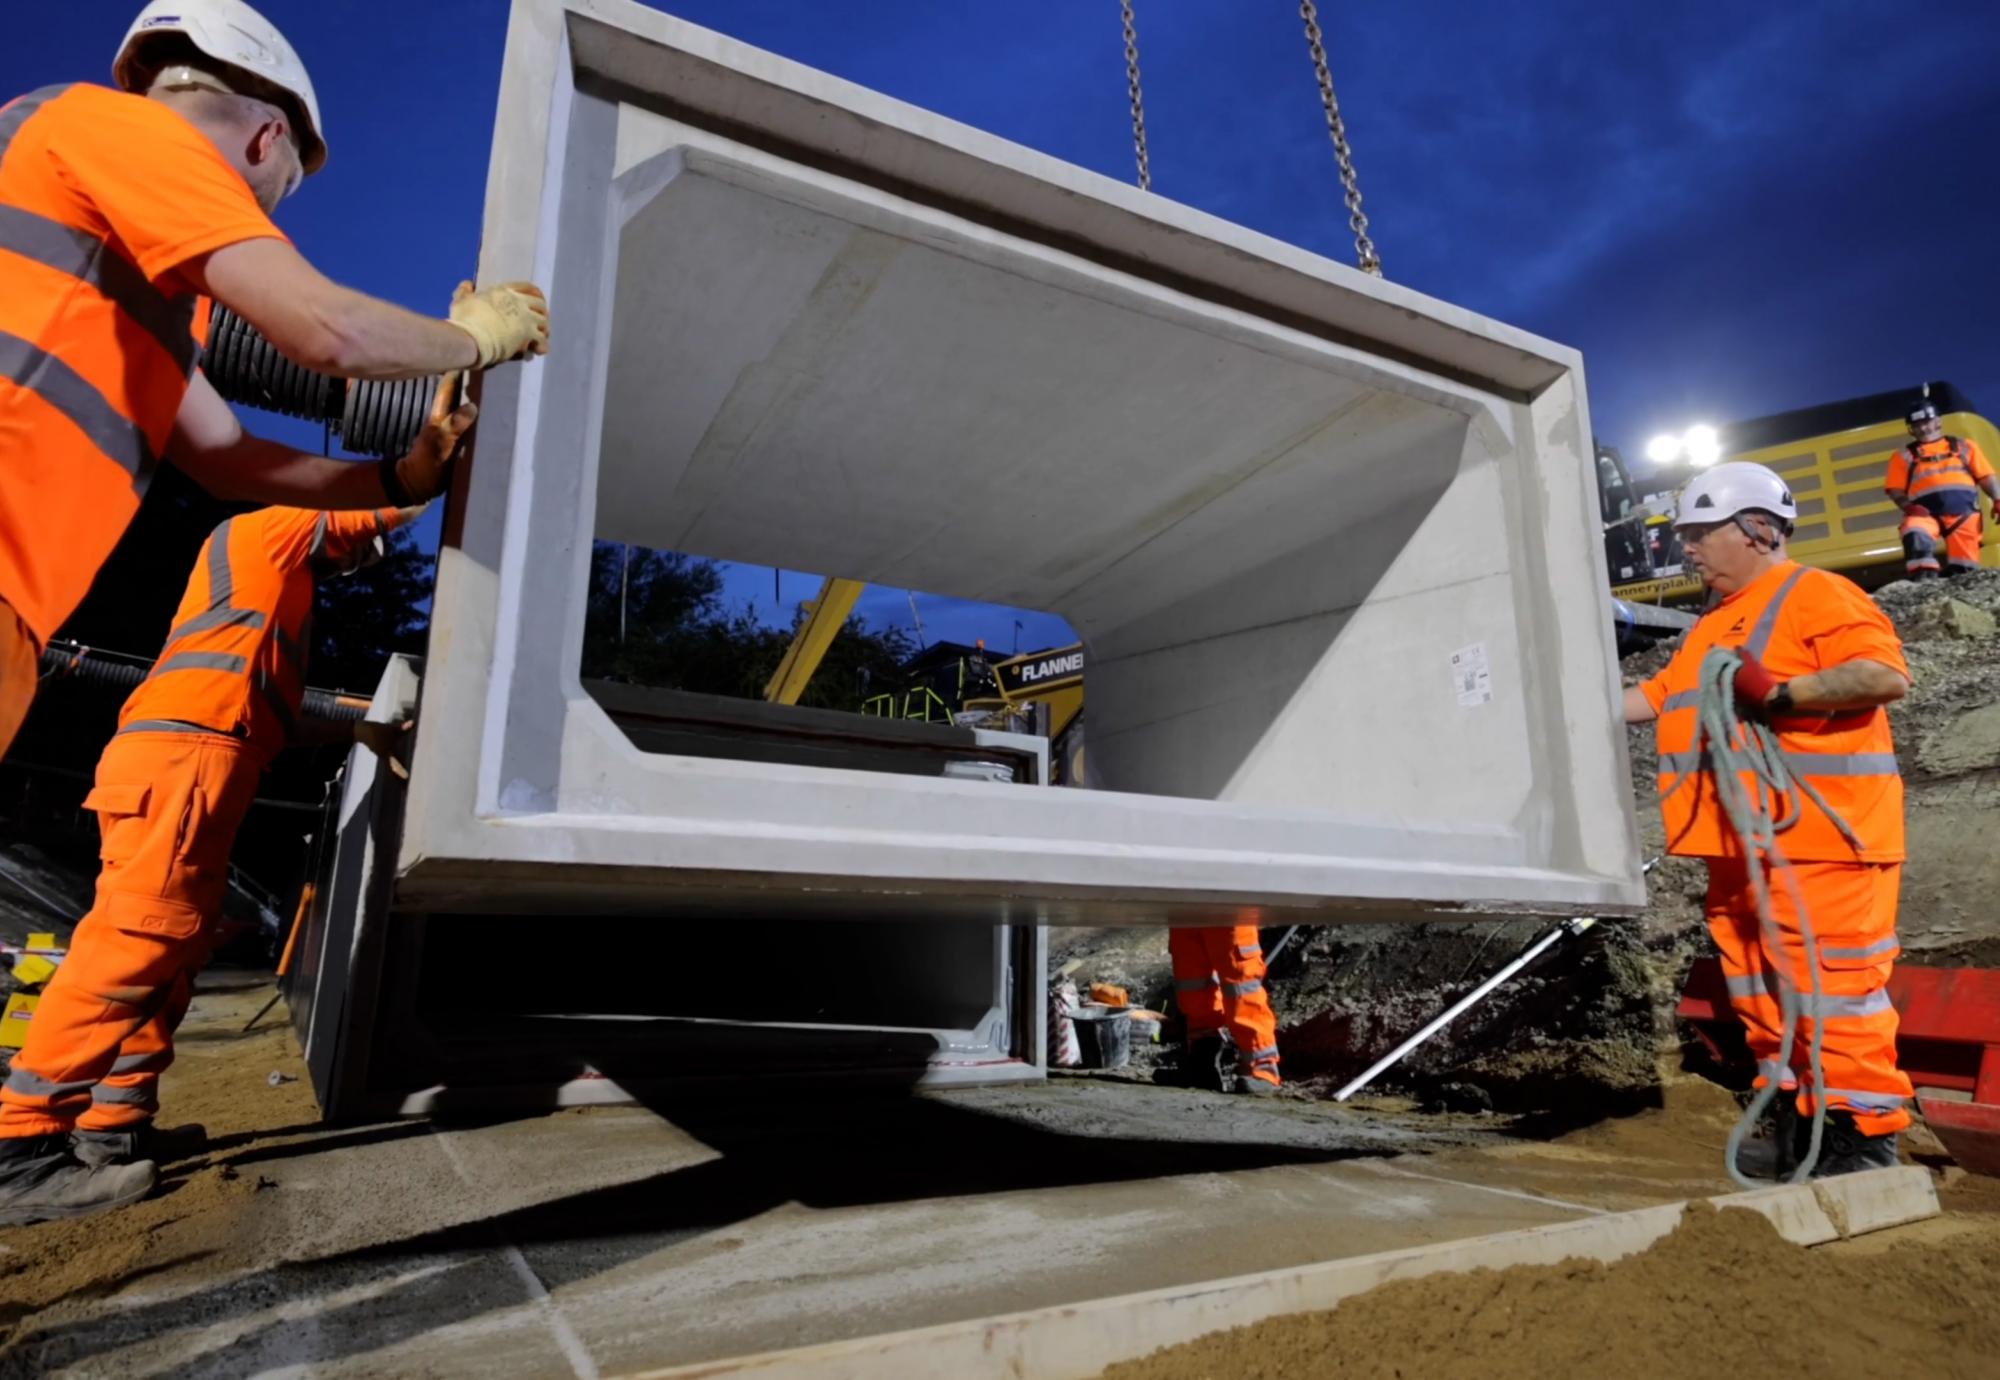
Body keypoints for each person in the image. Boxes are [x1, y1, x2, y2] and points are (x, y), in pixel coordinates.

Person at [0, 0, 550, 757]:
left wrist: (398, 479)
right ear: (267, 138)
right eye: (280, 193)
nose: (259, 213)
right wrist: (476, 339)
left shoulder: (138, 283)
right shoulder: (127, 130)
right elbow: (330, 330)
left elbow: (226, 459)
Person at [0, 383, 467, 1224]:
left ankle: (113, 1128)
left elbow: (275, 711)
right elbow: (383, 499)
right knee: (134, 946)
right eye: (351, 546)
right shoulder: (272, 527)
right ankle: (20, 1146)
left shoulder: (266, 583)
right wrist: (448, 448)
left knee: (163, 953)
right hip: (185, 764)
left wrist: (365, 726)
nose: (360, 560)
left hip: (182, 760)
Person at [1624, 461, 1912, 1178]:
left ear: (1756, 529)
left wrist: (1781, 695)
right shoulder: (1712, 627)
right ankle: (1791, 1114)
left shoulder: (1815, 594)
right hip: (1742, 850)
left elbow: (1882, 675)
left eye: (1698, 533)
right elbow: (1655, 698)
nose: (1685, 549)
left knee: (1834, 990)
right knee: (1760, 991)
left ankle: (1858, 1133)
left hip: (1823, 845)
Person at [1884, 397, 2000, 579]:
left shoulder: (1965, 447)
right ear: (1911, 429)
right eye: (1916, 425)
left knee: (1966, 569)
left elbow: (1986, 476)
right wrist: (1908, 507)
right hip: (1924, 514)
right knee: (1914, 532)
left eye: (1926, 422)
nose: (1922, 428)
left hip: (1964, 516)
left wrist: (1997, 499)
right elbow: (1894, 489)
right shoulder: (1903, 457)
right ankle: (1924, 583)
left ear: (1938, 421)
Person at [1169, 926, 1281, 1094]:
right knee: (1193, 984)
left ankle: (1263, 1069)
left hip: (1230, 910)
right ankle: (1201, 1064)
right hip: (1187, 910)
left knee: (1241, 986)